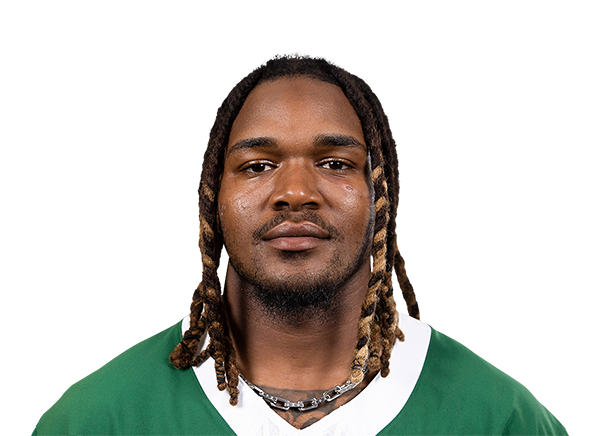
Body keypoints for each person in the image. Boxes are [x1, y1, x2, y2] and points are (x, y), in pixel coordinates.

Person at [33, 53, 568, 435]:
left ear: (379, 194)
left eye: (334, 163)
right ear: (214, 199)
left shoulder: (499, 419)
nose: (295, 192)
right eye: (257, 166)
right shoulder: (98, 420)